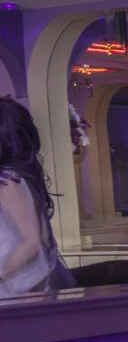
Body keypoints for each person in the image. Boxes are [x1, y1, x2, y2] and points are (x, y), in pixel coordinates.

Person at [0, 97, 73, 296]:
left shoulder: (8, 181)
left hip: (21, 287)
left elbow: (34, 241)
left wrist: (3, 272)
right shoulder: (12, 178)